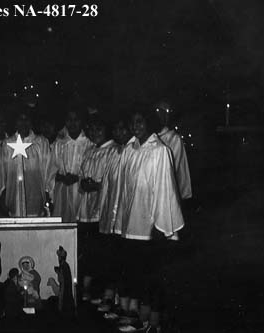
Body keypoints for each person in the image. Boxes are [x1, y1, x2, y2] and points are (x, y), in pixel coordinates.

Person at [115, 107, 184, 319]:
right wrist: (119, 219)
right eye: (133, 122)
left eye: (140, 121)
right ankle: (132, 311)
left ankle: (150, 320)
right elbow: (123, 188)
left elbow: (165, 188)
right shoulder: (129, 149)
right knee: (132, 270)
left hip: (148, 224)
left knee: (149, 274)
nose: (136, 126)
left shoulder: (159, 151)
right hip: (130, 222)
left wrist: (159, 223)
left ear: (149, 123)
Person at [76, 115, 118, 299]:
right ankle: (86, 288)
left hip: (102, 210)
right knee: (88, 251)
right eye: (91, 130)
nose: (94, 133)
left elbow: (113, 180)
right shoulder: (89, 150)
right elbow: (82, 174)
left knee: (102, 253)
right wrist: (84, 183)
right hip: (86, 210)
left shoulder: (113, 151)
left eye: (98, 129)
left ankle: (102, 292)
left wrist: (97, 185)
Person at [0, 111, 51, 217]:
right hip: (14, 195)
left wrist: (48, 191)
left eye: (26, 119)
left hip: (36, 196)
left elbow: (47, 168)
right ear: (15, 123)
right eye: (20, 120)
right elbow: (2, 171)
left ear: (31, 122)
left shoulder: (41, 142)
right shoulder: (8, 144)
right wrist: (2, 192)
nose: (23, 123)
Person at [49, 109, 94, 221]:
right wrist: (62, 177)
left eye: (76, 120)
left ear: (81, 122)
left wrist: (77, 177)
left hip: (81, 193)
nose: (72, 123)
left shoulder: (89, 144)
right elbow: (51, 170)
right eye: (69, 120)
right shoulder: (59, 144)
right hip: (62, 192)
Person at [154, 100, 192, 200]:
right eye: (159, 111)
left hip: (169, 192)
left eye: (166, 112)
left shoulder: (174, 139)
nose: (162, 116)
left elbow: (172, 169)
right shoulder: (151, 137)